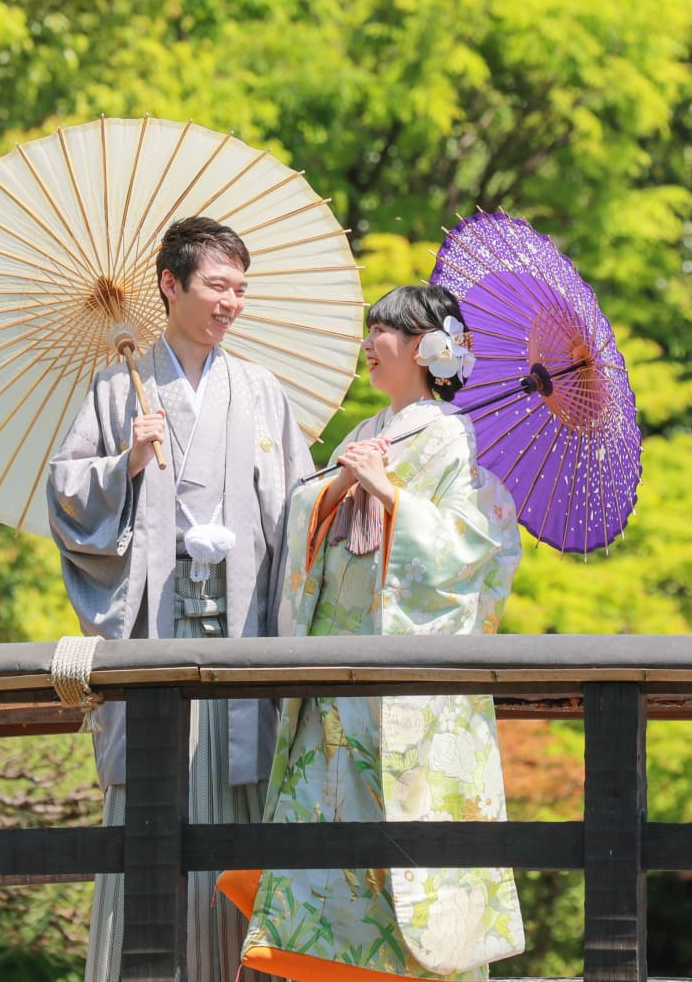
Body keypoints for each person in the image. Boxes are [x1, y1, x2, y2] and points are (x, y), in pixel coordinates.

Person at [219, 284, 525, 981]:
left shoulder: (450, 435)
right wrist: (337, 488)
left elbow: (468, 552)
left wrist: (389, 494)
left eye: (381, 331)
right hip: (332, 668)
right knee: (322, 838)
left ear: (422, 347)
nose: (368, 344)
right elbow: (306, 510)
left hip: (393, 688)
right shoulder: (369, 430)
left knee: (396, 849)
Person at [47, 216, 313, 982]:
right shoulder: (114, 389)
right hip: (155, 651)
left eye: (241, 288)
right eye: (218, 286)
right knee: (152, 833)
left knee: (242, 831)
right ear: (171, 284)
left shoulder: (260, 391)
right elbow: (67, 499)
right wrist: (125, 462)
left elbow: (300, 509)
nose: (232, 302)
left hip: (241, 659)